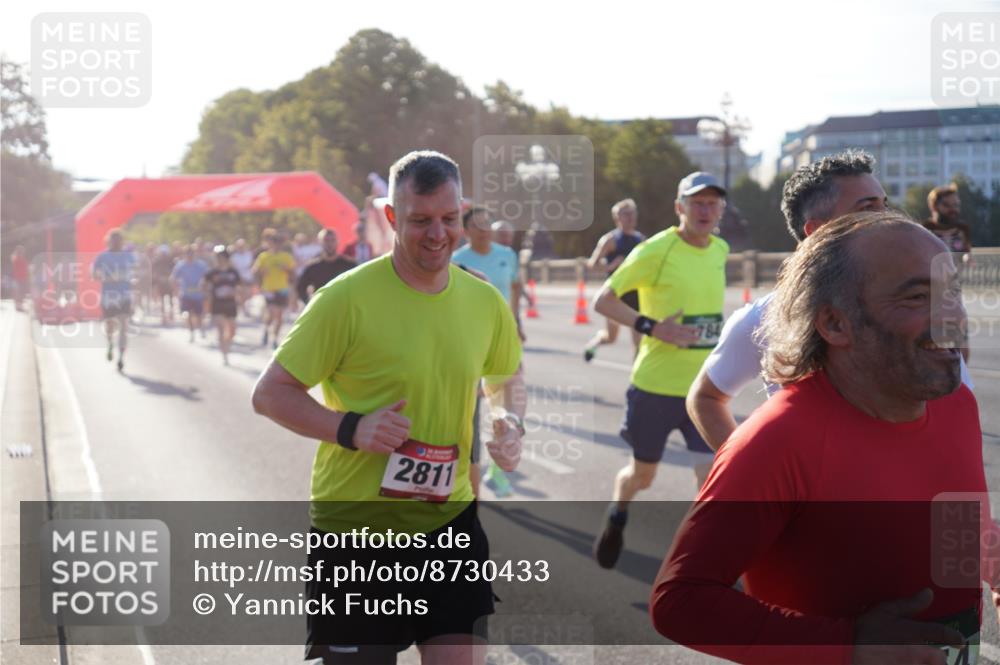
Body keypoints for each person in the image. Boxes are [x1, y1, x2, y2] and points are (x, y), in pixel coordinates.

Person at [650, 212, 991, 664]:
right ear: (834, 323)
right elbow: (679, 601)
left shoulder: (956, 405)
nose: (953, 319)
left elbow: (960, 523)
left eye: (953, 294)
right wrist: (847, 645)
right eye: (916, 297)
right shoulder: (776, 441)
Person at [251, 150, 525, 665]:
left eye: (449, 218)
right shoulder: (345, 299)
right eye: (420, 221)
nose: (438, 234)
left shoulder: (483, 300)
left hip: (450, 526)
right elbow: (270, 393)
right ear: (393, 218)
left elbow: (506, 375)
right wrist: (351, 428)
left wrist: (509, 422)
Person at [686, 150, 977, 451]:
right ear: (818, 232)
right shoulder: (765, 319)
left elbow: (958, 402)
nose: (888, 218)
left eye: (885, 205)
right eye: (867, 209)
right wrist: (749, 469)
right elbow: (705, 398)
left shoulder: (925, 303)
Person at [591, 172, 729, 569]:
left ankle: (693, 563)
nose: (705, 210)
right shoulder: (655, 250)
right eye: (697, 202)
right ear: (679, 207)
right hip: (654, 387)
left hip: (703, 391)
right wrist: (653, 327)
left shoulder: (720, 249)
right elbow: (604, 300)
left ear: (721, 209)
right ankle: (618, 512)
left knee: (712, 478)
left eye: (713, 203)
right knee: (642, 476)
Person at [453, 206, 526, 498]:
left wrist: (516, 322)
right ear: (466, 231)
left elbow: (516, 288)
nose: (484, 230)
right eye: (477, 225)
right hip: (470, 341)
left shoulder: (507, 255)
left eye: (487, 225)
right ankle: (470, 483)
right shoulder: (457, 260)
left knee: (504, 403)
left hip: (502, 337)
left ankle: (497, 470)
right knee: (470, 408)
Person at [583, 199, 646, 362]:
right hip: (615, 295)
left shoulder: (641, 239)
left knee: (639, 341)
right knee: (611, 337)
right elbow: (592, 265)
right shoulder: (610, 240)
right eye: (626, 214)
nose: (630, 217)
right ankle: (594, 344)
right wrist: (611, 266)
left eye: (633, 213)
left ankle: (636, 375)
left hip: (636, 294)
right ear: (617, 218)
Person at [92, 229, 136, 372]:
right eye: (113, 240)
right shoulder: (102, 257)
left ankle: (121, 358)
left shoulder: (128, 256)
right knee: (110, 326)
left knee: (124, 326)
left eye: (119, 240)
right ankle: (110, 343)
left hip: (124, 295)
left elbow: (136, 271)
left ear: (122, 241)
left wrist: (135, 279)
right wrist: (105, 277)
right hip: (109, 296)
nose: (116, 243)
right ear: (109, 241)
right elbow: (94, 274)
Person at [252, 232, 296, 349]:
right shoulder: (264, 256)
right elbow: (254, 270)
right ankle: (266, 329)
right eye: (274, 242)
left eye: (278, 242)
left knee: (279, 316)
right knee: (272, 313)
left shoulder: (286, 257)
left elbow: (293, 273)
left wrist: (286, 269)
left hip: (282, 288)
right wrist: (261, 272)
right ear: (270, 243)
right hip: (268, 289)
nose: (276, 244)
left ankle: (275, 339)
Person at [295, 229, 356, 305]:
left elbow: (358, 286)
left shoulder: (349, 265)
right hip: (321, 308)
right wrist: (310, 303)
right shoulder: (313, 267)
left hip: (343, 307)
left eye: (332, 240)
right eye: (326, 240)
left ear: (337, 242)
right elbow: (301, 287)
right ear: (320, 242)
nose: (329, 244)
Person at [203, 246, 241, 365]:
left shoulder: (233, 272)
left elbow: (240, 285)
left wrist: (236, 292)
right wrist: (208, 294)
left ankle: (227, 344)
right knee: (221, 329)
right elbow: (203, 285)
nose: (221, 259)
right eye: (218, 257)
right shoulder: (212, 272)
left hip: (231, 303)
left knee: (232, 330)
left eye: (223, 257)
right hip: (217, 304)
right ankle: (224, 355)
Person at [171, 244, 210, 343]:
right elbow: (173, 278)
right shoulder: (181, 265)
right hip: (185, 294)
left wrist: (204, 285)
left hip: (198, 295)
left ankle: (201, 327)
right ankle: (192, 333)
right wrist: (176, 290)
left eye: (191, 253)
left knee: (198, 315)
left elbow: (208, 276)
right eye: (187, 253)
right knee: (187, 314)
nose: (189, 255)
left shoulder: (201, 265)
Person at [923, 183, 971, 258]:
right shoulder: (924, 229)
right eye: (946, 205)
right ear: (934, 206)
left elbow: (967, 253)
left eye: (956, 205)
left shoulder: (962, 228)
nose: (952, 209)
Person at [229, 238, 255, 316]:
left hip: (248, 277)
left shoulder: (249, 254)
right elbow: (233, 267)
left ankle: (244, 306)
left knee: (248, 294)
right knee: (241, 294)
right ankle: (244, 309)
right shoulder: (234, 256)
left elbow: (252, 264)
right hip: (238, 278)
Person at [151, 244, 176, 325]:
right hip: (160, 282)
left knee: (171, 298)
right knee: (162, 300)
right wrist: (157, 278)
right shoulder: (157, 261)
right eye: (162, 253)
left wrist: (171, 277)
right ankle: (163, 316)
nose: (163, 255)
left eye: (165, 254)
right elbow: (153, 271)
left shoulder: (171, 261)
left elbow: (175, 270)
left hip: (169, 282)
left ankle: (171, 313)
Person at [10, 245, 30, 312]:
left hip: (21, 278)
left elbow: (25, 268)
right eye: (21, 251)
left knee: (21, 292)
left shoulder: (20, 259)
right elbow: (18, 268)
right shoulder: (16, 259)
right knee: (19, 292)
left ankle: (19, 305)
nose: (23, 252)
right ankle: (18, 305)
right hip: (19, 278)